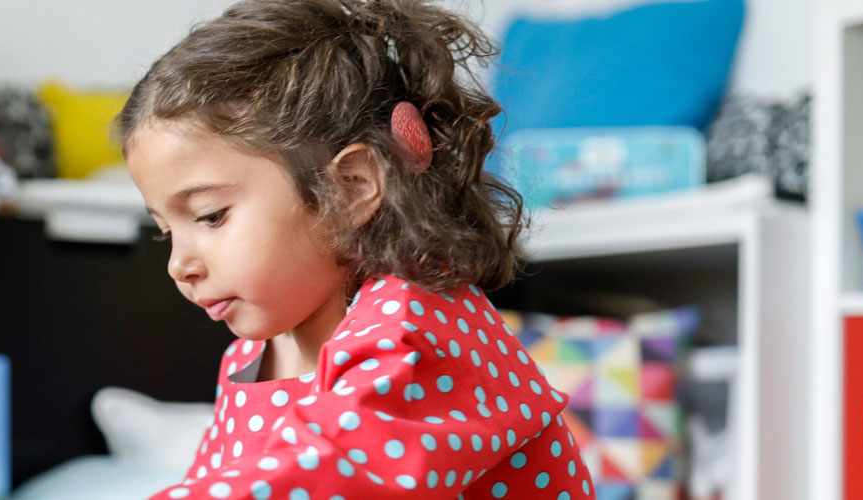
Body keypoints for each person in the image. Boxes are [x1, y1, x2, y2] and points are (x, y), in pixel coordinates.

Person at [116, 0, 594, 498]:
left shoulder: (418, 328)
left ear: (351, 186)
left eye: (211, 216)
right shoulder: (252, 353)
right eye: (166, 231)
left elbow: (333, 469)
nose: (180, 266)